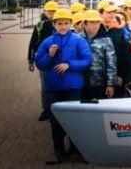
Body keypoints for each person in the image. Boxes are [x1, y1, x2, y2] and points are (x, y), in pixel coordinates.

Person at [34, 8, 92, 165]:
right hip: (53, 88)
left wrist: (69, 65)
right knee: (55, 121)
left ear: (71, 24)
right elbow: (40, 63)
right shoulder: (47, 42)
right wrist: (49, 55)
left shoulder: (78, 40)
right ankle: (58, 151)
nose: (63, 26)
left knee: (74, 120)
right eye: (60, 23)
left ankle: (78, 150)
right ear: (54, 24)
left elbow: (87, 60)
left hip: (73, 87)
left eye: (66, 23)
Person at [28, 0, 58, 121]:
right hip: (44, 60)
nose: (51, 14)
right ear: (44, 12)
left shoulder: (60, 24)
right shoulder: (40, 26)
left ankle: (56, 110)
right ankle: (46, 110)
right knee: (45, 87)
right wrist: (30, 60)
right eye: (49, 11)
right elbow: (33, 43)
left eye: (53, 11)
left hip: (58, 60)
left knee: (57, 85)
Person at [80, 10, 117, 101]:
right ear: (85, 24)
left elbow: (111, 64)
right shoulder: (77, 39)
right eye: (92, 22)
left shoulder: (106, 40)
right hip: (80, 83)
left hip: (100, 83)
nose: (95, 25)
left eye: (97, 22)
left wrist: (110, 84)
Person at [102, 4, 131, 97]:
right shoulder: (98, 31)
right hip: (99, 79)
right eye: (109, 12)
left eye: (114, 13)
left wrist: (122, 76)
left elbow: (128, 59)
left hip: (116, 80)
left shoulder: (121, 35)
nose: (112, 16)